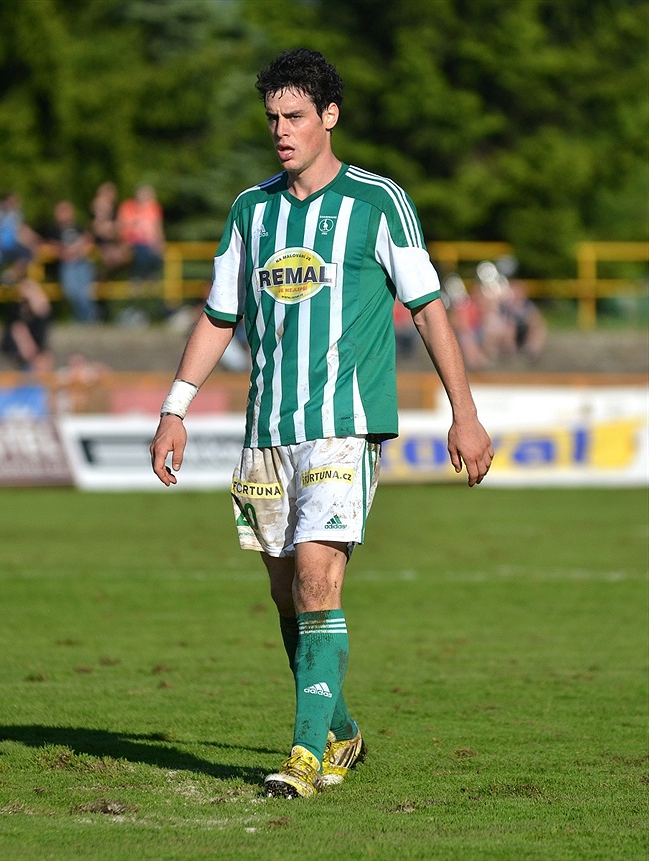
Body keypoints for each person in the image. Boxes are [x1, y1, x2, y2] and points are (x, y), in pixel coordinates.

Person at [150, 48, 494, 800]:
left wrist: (465, 414)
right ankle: (340, 728)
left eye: (296, 116)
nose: (281, 130)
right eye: (273, 117)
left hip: (345, 426)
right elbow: (219, 316)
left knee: (316, 578)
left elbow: (429, 309)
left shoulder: (378, 202)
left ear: (329, 116)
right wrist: (175, 408)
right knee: (289, 595)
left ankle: (305, 757)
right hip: (266, 432)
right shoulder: (251, 210)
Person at [46, 200, 99, 323]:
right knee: (71, 292)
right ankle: (84, 317)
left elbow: (87, 240)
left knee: (85, 293)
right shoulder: (53, 230)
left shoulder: (78, 227)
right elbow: (51, 246)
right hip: (67, 265)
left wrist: (78, 249)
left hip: (82, 263)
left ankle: (88, 318)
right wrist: (65, 252)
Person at [0, 278, 53, 372]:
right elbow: (21, 338)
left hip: (32, 358)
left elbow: (44, 306)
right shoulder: (17, 311)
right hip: (20, 358)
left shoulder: (40, 316)